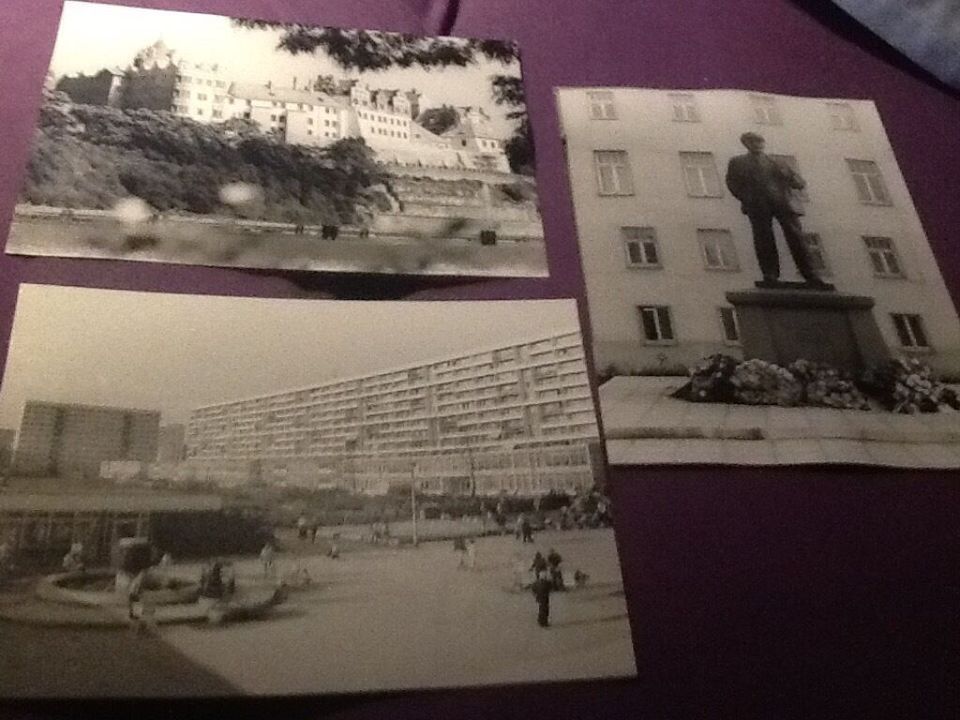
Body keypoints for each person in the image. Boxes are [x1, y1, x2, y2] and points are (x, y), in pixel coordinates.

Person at [725, 132, 826, 286]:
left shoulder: (777, 161)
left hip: (783, 203)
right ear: (745, 144)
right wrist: (746, 198)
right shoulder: (737, 162)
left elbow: (798, 182)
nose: (757, 145)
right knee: (763, 239)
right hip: (757, 205)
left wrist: (792, 178)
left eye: (759, 142)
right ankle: (770, 275)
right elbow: (732, 183)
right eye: (752, 142)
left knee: (796, 237)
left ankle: (811, 274)